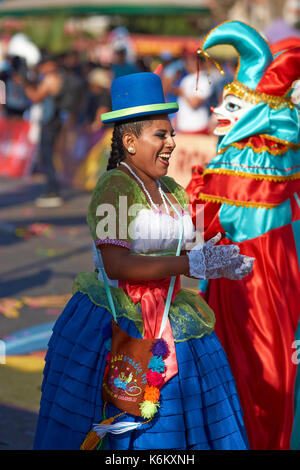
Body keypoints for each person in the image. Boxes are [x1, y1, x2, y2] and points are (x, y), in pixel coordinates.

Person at [33, 72, 254, 451]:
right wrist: (191, 264)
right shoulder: (115, 187)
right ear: (130, 141)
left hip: (173, 316)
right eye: (160, 135)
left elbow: (188, 244)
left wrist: (216, 257)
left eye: (171, 133)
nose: (172, 142)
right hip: (115, 320)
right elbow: (117, 264)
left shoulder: (172, 190)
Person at [186, 21, 300, 450]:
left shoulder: (239, 161)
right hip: (285, 271)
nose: (218, 112)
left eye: (231, 106)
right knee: (277, 364)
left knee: (248, 366)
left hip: (244, 280)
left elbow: (199, 229)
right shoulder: (282, 158)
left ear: (253, 114)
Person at [171, 50, 212, 134]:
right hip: (183, 127)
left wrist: (182, 92)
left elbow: (194, 103)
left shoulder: (204, 80)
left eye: (190, 60)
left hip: (197, 127)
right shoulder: (186, 79)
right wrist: (174, 123)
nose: (186, 64)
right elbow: (181, 104)